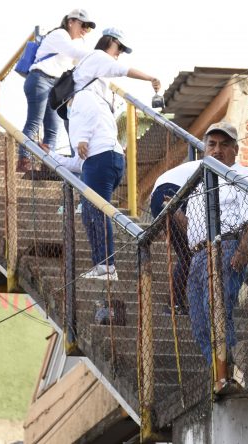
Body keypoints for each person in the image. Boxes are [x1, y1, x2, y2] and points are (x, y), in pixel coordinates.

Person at [68, 28, 161, 280]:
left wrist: (149, 77)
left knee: (97, 210)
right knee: (92, 211)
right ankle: (103, 265)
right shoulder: (97, 68)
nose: (118, 56)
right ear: (112, 42)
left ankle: (107, 266)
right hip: (105, 155)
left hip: (101, 155)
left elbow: (123, 71)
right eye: (119, 49)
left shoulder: (90, 89)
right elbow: (118, 71)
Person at [184, 121, 248, 393]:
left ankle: (227, 372)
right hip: (197, 255)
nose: (217, 150)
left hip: (227, 247)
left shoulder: (242, 174)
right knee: (197, 315)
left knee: (215, 305)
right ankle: (217, 369)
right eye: (211, 144)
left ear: (235, 150)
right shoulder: (198, 178)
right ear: (204, 149)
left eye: (224, 145)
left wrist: (242, 250)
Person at [17, 9, 95, 173]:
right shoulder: (60, 35)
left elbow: (77, 62)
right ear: (70, 22)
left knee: (53, 128)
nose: (84, 31)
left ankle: (48, 164)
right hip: (40, 79)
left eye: (88, 28)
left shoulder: (76, 42)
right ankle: (24, 160)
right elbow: (75, 54)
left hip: (56, 86)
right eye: (83, 25)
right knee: (34, 122)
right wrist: (100, 57)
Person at [149, 160, 202, 311]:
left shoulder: (199, 163)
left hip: (157, 196)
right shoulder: (218, 166)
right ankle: (177, 302)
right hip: (176, 191)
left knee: (187, 255)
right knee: (193, 252)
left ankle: (177, 303)